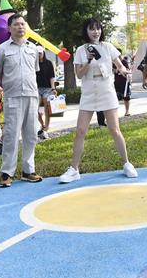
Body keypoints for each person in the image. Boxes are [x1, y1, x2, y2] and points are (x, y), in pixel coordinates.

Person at [59, 19, 137, 183]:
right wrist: (88, 61)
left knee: (114, 130)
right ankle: (74, 169)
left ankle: (127, 163)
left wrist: (125, 71)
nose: (96, 32)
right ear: (86, 31)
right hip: (88, 91)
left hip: (106, 89)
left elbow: (119, 65)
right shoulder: (81, 50)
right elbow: (79, 74)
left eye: (98, 28)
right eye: (92, 29)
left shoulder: (108, 47)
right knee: (80, 131)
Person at [0, 14, 44, 188]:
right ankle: (7, 172)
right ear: (9, 28)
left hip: (31, 95)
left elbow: (34, 70)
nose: (20, 27)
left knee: (31, 135)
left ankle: (28, 171)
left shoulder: (33, 48)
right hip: (12, 96)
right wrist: (8, 85)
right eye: (16, 24)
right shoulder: (2, 49)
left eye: (22, 24)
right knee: (11, 135)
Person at [36, 49, 56, 140]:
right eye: (37, 53)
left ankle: (46, 127)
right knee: (34, 108)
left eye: (40, 53)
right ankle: (42, 124)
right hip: (36, 89)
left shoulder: (49, 63)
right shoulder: (34, 63)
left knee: (47, 108)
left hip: (47, 89)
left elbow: (52, 77)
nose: (39, 54)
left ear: (43, 53)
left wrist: (53, 88)